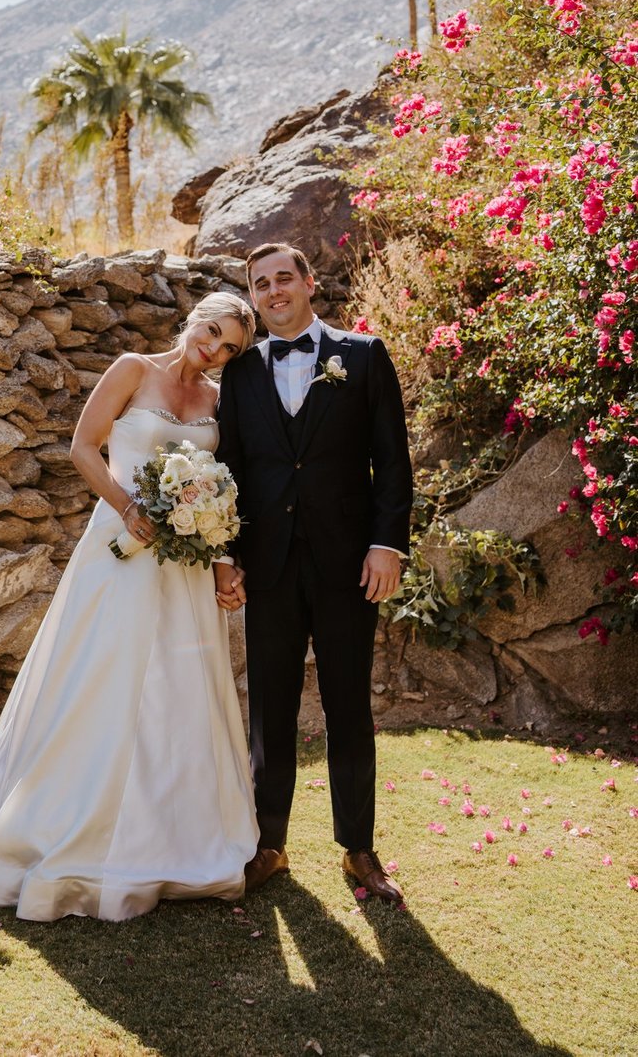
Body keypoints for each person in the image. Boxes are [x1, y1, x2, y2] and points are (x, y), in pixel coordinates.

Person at [0, 291, 259, 921]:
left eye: (230, 348)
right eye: (213, 332)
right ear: (192, 319)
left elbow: (222, 487)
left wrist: (219, 553)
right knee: (101, 677)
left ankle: (170, 830)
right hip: (120, 546)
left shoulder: (217, 401)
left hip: (184, 566)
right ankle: (67, 818)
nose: (215, 349)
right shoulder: (132, 368)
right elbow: (84, 448)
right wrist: (129, 509)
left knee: (179, 684)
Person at [215, 243, 412, 905]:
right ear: (254, 295)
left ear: (309, 282)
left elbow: (392, 461)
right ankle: (268, 845)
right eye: (259, 283)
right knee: (269, 708)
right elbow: (232, 470)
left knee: (348, 705)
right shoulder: (239, 373)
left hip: (347, 564)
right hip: (268, 565)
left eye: (283, 278)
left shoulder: (362, 356)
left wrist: (387, 545)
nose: (273, 290)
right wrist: (229, 556)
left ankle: (359, 850)